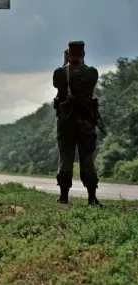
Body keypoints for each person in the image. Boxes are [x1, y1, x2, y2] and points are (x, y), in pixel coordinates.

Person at [52, 41, 103, 206]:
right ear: (84, 54)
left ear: (69, 54)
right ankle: (92, 198)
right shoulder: (92, 73)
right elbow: (89, 84)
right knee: (87, 158)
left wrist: (65, 63)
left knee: (65, 157)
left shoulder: (60, 73)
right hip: (86, 123)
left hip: (66, 122)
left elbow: (58, 84)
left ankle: (64, 197)